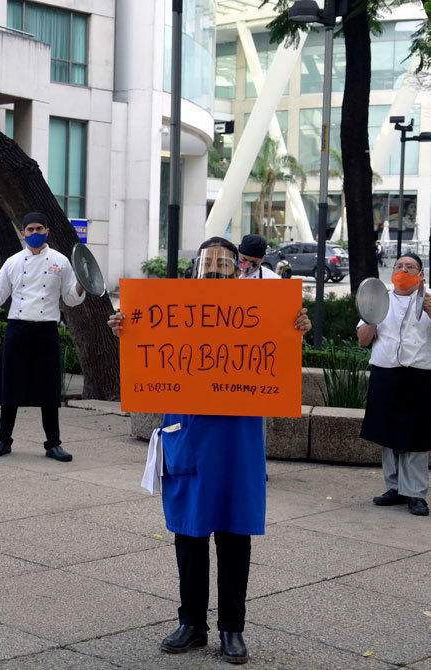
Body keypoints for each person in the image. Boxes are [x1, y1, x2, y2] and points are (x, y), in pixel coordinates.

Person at [108, 237, 312, 665]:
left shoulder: (260, 308)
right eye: (209, 264)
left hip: (237, 438)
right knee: (189, 532)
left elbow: (277, 357)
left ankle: (232, 628)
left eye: (225, 265)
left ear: (239, 269)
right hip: (189, 433)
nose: (216, 271)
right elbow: (146, 353)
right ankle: (192, 624)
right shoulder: (173, 310)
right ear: (195, 269)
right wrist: (125, 330)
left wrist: (296, 328)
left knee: (235, 533)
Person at [0, 211, 85, 463]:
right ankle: (3, 440)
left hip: (46, 329)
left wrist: (82, 282)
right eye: (30, 229)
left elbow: (71, 298)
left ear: (47, 231)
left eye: (39, 229)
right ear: (23, 233)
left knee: (49, 389)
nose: (34, 233)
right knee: (10, 386)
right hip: (17, 328)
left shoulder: (61, 261)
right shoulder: (13, 262)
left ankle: (53, 444)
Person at [357, 253, 431, 517]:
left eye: (410, 266)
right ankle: (394, 488)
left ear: (420, 274)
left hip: (420, 375)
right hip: (385, 372)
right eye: (399, 266)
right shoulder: (381, 298)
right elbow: (363, 340)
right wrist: (371, 318)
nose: (403, 270)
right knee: (387, 433)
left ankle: (416, 493)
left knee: (417, 436)